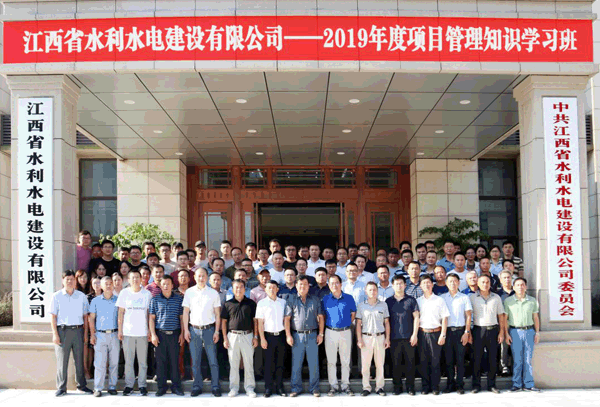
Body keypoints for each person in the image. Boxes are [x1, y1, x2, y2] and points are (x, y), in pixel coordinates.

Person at [51, 270, 93, 397]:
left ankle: (81, 385)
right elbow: (53, 317)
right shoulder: (56, 296)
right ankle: (61, 387)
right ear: (63, 281)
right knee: (62, 361)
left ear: (75, 281)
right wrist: (55, 334)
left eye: (72, 279)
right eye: (67, 279)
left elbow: (85, 317)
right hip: (62, 331)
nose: (69, 281)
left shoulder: (81, 296)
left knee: (79, 360)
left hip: (78, 330)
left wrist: (85, 334)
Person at [182, 267, 222, 397]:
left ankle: (215, 386)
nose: (201, 278)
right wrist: (186, 330)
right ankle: (197, 386)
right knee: (195, 361)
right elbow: (186, 312)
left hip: (209, 329)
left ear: (207, 277)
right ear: (194, 277)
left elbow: (217, 314)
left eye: (203, 276)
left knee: (213, 360)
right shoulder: (189, 292)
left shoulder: (213, 293)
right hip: (194, 330)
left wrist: (217, 331)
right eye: (198, 276)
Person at [285, 275, 325, 397]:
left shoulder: (315, 299)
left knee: (313, 363)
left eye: (305, 284)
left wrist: (321, 334)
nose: (303, 286)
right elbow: (287, 319)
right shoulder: (291, 299)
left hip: (312, 334)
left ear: (309, 286)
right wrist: (288, 335)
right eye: (300, 284)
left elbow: (321, 318)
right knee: (296, 363)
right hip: (297, 336)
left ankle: (314, 388)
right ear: (296, 286)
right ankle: (295, 388)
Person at [116, 269, 153, 396]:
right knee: (129, 361)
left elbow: (149, 314)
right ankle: (129, 385)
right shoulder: (124, 293)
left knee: (143, 362)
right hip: (128, 332)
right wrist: (120, 330)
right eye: (132, 277)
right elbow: (120, 313)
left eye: (137, 277)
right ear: (128, 280)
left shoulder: (147, 294)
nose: (135, 280)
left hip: (142, 332)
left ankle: (142, 385)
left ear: (141, 278)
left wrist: (150, 331)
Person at [149, 274, 185, 397]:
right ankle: (161, 387)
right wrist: (153, 334)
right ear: (160, 285)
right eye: (163, 284)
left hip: (175, 334)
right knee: (161, 362)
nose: (165, 286)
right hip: (160, 334)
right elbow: (151, 318)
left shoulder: (179, 299)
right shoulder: (155, 300)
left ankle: (176, 387)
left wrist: (182, 333)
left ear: (172, 285)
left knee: (175, 361)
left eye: (168, 284)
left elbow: (181, 318)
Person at [221, 279, 258, 398]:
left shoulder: (251, 303)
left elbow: (255, 321)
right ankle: (234, 388)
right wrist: (225, 338)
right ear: (232, 289)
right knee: (233, 363)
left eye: (241, 287)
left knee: (249, 363)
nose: (239, 289)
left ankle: (250, 388)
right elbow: (223, 322)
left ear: (244, 288)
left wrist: (255, 336)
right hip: (232, 336)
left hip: (248, 335)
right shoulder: (227, 304)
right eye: (236, 287)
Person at [469, 274, 506, 394]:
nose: (485, 284)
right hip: (478, 330)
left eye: (487, 282)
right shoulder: (472, 297)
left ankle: (492, 385)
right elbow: (468, 316)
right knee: (476, 359)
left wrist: (501, 332)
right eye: (483, 282)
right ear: (478, 284)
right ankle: (476, 385)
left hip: (493, 330)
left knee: (493, 358)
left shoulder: (496, 297)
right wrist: (468, 332)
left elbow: (501, 315)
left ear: (490, 284)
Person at [322, 274, 356, 397]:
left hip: (345, 331)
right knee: (331, 361)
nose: (334, 285)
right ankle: (333, 386)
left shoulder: (349, 298)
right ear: (328, 285)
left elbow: (353, 314)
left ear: (341, 284)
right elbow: (322, 316)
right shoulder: (325, 299)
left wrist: (345, 324)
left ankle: (346, 385)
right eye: (331, 283)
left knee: (345, 360)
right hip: (330, 332)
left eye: (336, 283)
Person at [504, 277, 541, 392]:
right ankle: (516, 384)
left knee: (528, 360)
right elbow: (505, 319)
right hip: (515, 332)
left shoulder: (532, 301)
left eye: (522, 285)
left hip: (529, 331)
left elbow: (535, 317)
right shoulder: (508, 301)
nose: (520, 287)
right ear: (513, 287)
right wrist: (506, 334)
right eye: (518, 285)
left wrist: (537, 332)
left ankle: (529, 384)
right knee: (517, 360)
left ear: (526, 287)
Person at [386, 275, 419, 396]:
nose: (399, 286)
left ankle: (410, 387)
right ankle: (397, 387)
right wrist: (387, 338)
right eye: (396, 284)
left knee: (410, 363)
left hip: (409, 337)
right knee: (396, 364)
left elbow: (416, 318)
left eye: (401, 283)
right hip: (394, 337)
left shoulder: (411, 300)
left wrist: (415, 334)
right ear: (392, 286)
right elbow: (386, 321)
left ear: (405, 285)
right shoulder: (388, 301)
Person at [417, 274, 450, 395]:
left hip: (436, 333)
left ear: (432, 284)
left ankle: (435, 386)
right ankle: (425, 387)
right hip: (422, 333)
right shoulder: (418, 301)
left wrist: (443, 334)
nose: (426, 285)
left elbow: (445, 318)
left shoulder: (439, 300)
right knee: (423, 361)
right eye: (423, 283)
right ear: (420, 286)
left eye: (428, 282)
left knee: (435, 361)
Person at [356, 282, 390, 397]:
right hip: (366, 337)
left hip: (380, 337)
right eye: (370, 290)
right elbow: (358, 324)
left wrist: (387, 338)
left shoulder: (383, 305)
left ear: (377, 291)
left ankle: (379, 387)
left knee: (380, 364)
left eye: (374, 289)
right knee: (365, 365)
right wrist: (359, 339)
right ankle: (366, 387)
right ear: (366, 291)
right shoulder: (361, 306)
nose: (372, 292)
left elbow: (387, 322)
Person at [441, 273, 472, 394]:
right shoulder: (442, 298)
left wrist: (466, 332)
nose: (452, 283)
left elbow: (468, 316)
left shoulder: (464, 297)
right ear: (446, 283)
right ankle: (450, 384)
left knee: (460, 360)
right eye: (450, 281)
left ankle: (460, 385)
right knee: (448, 360)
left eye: (455, 281)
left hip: (460, 331)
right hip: (447, 332)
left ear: (459, 283)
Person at [89, 276, 119, 397]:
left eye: (110, 283)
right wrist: (92, 334)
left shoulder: (118, 300)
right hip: (100, 334)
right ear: (101, 286)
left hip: (115, 334)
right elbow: (91, 318)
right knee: (99, 363)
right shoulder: (95, 301)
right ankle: (98, 388)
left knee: (114, 362)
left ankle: (112, 386)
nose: (108, 285)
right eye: (106, 283)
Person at [256, 280, 287, 397]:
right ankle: (268, 388)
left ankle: (280, 387)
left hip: (281, 335)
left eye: (274, 287)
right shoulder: (262, 303)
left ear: (277, 289)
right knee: (268, 363)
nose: (272, 289)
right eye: (269, 287)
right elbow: (260, 323)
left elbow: (286, 320)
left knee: (280, 363)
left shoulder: (283, 302)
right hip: (268, 336)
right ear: (265, 289)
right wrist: (262, 338)